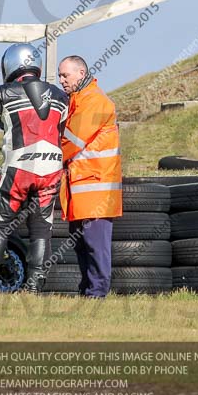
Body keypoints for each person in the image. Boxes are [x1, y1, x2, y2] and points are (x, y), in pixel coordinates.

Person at [0, 43, 69, 294]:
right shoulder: (60, 96)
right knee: (41, 230)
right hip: (51, 168)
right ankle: (34, 288)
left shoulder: (2, 92)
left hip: (19, 167)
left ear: (10, 65)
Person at [57, 55, 122, 298]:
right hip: (83, 188)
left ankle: (97, 293)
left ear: (81, 74)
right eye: (60, 75)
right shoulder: (78, 100)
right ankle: (89, 291)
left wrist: (48, 156)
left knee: (96, 246)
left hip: (96, 189)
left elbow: (73, 141)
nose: (61, 80)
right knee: (83, 246)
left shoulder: (95, 102)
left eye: (66, 75)